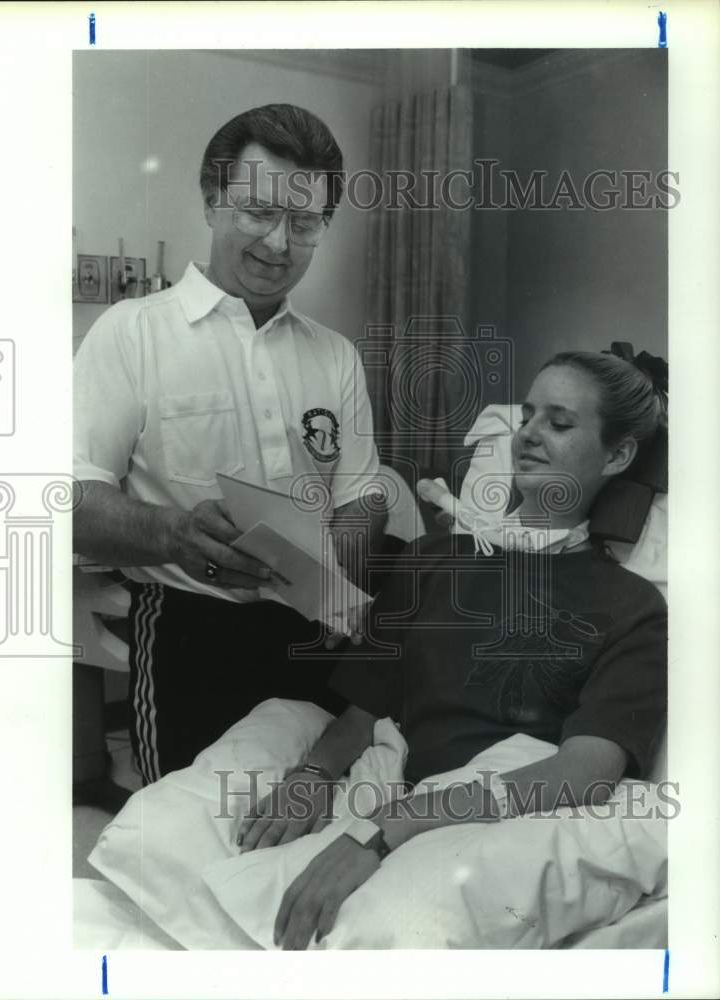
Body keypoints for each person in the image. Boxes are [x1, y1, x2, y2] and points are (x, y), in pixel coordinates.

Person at [232, 349, 668, 949]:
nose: (529, 437)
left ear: (617, 455)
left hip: (508, 809)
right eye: (529, 416)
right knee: (182, 829)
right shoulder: (432, 561)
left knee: (398, 928)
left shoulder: (632, 605)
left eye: (560, 424)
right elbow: (362, 714)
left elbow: (585, 771)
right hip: (399, 781)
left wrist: (389, 830)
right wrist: (312, 775)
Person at [73, 104, 386, 785]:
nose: (278, 243)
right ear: (212, 199)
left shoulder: (334, 356)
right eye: (258, 212)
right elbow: (72, 498)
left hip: (318, 630)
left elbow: (361, 492)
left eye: (303, 223)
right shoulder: (131, 333)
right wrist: (172, 533)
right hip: (190, 632)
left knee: (309, 818)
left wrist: (344, 572)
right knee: (185, 832)